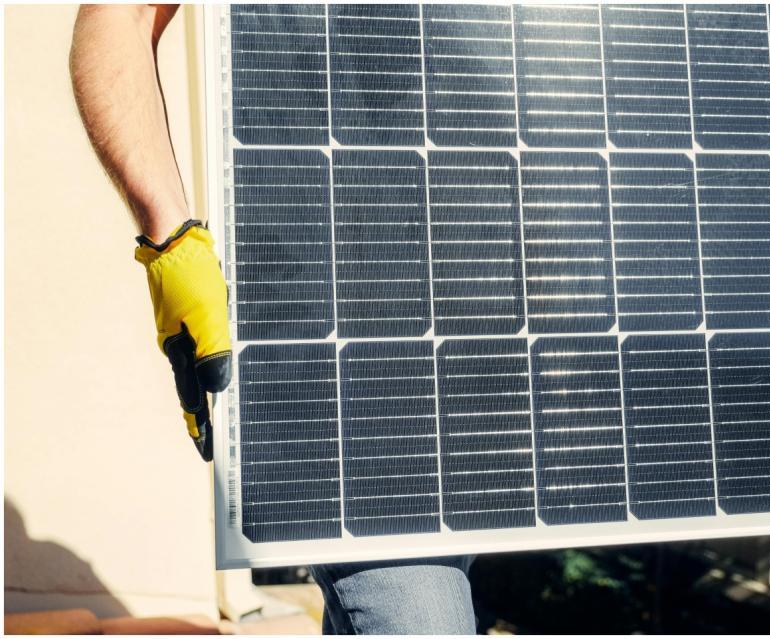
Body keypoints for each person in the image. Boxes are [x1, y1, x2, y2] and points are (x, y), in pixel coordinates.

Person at [69, 4, 476, 635]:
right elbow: (119, 12)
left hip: (478, 333)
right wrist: (170, 238)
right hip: (345, 349)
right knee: (422, 617)